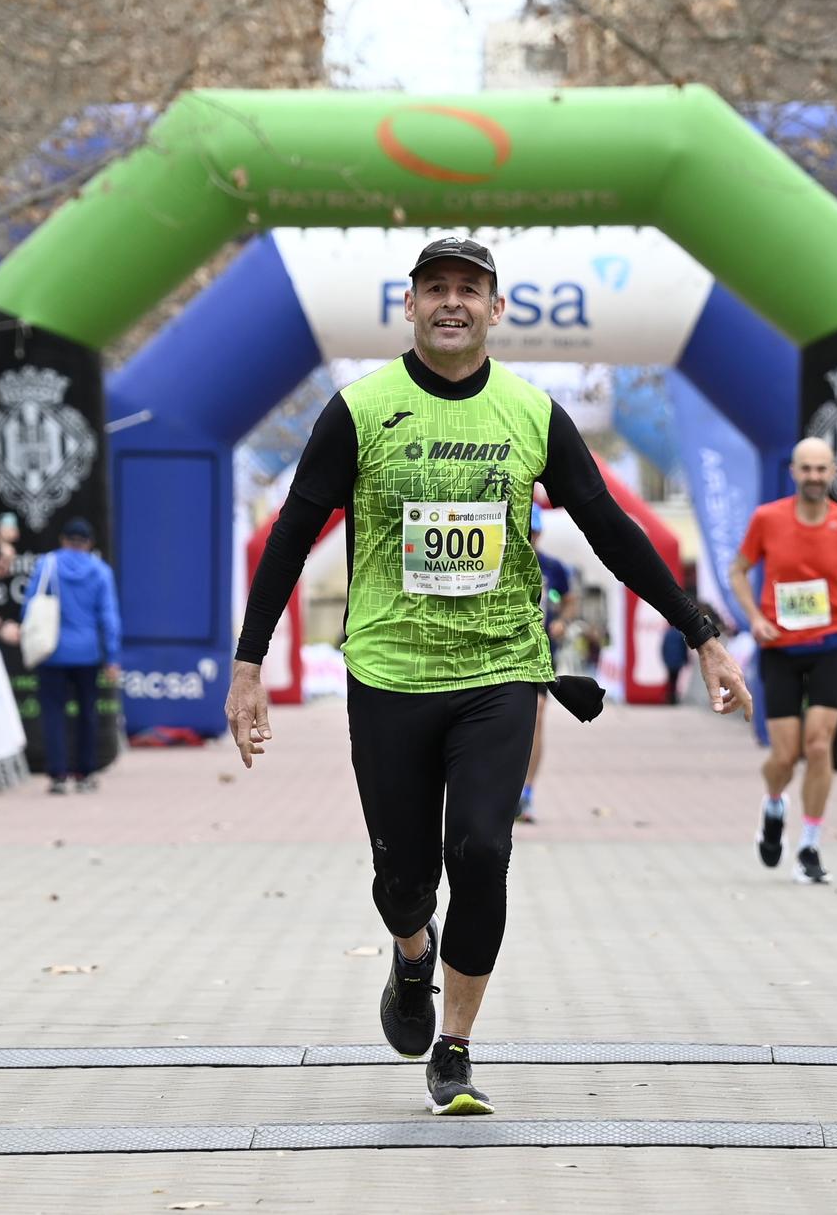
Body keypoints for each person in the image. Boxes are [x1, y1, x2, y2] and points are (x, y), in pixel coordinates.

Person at [225, 235, 749, 1117]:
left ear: (497, 309)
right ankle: (411, 954)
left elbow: (613, 529)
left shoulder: (532, 412)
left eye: (469, 289)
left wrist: (701, 631)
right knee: (403, 879)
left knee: (482, 849)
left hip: (500, 668)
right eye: (435, 288)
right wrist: (250, 663)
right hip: (389, 672)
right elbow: (288, 537)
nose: (452, 301)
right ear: (410, 305)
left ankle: (456, 1046)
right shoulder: (359, 409)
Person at [728, 436, 837, 886]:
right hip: (779, 648)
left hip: (831, 643)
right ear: (794, 472)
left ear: (833, 472)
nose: (814, 477)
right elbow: (738, 571)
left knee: (818, 746)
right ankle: (774, 804)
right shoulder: (768, 519)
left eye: (821, 469)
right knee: (784, 756)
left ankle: (809, 847)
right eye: (807, 469)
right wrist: (755, 618)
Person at [30, 517, 122, 793]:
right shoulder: (100, 571)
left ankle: (58, 775)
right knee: (87, 713)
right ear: (90, 543)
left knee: (53, 713)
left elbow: (30, 606)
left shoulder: (46, 565)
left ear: (62, 540)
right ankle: (85, 772)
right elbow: (109, 617)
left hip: (51, 651)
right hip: (88, 653)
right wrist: (112, 656)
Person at [518, 503, 578, 824]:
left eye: (534, 531)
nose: (530, 536)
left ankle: (526, 793)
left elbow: (569, 600)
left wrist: (562, 622)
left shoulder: (553, 567)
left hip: (541, 654)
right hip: (501, 653)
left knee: (537, 715)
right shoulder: (499, 560)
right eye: (525, 529)